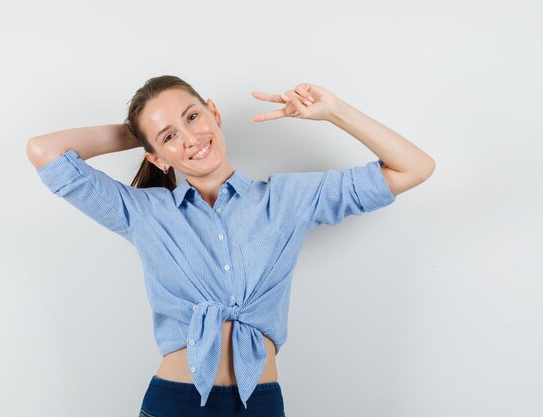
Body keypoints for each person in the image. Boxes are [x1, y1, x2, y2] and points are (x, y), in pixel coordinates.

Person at [26, 75, 435, 417]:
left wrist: (335, 112)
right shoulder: (145, 213)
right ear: (157, 158)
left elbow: (415, 167)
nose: (189, 137)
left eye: (192, 117)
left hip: (258, 404)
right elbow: (44, 152)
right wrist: (139, 133)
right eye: (170, 136)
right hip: (175, 403)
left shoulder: (287, 200)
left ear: (214, 113)